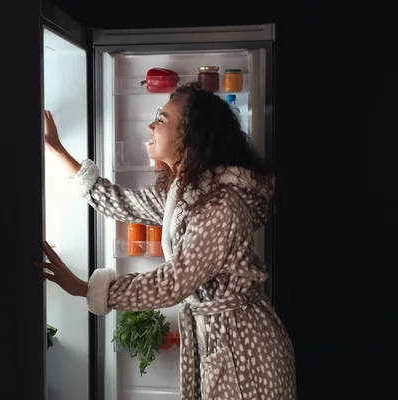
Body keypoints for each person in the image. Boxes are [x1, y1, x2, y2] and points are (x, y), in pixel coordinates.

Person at [36, 82, 296, 399]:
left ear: (190, 136)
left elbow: (170, 283)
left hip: (248, 353)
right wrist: (57, 150)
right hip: (225, 344)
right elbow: (120, 201)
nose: (150, 125)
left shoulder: (220, 207)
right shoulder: (189, 192)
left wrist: (86, 289)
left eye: (161, 119)